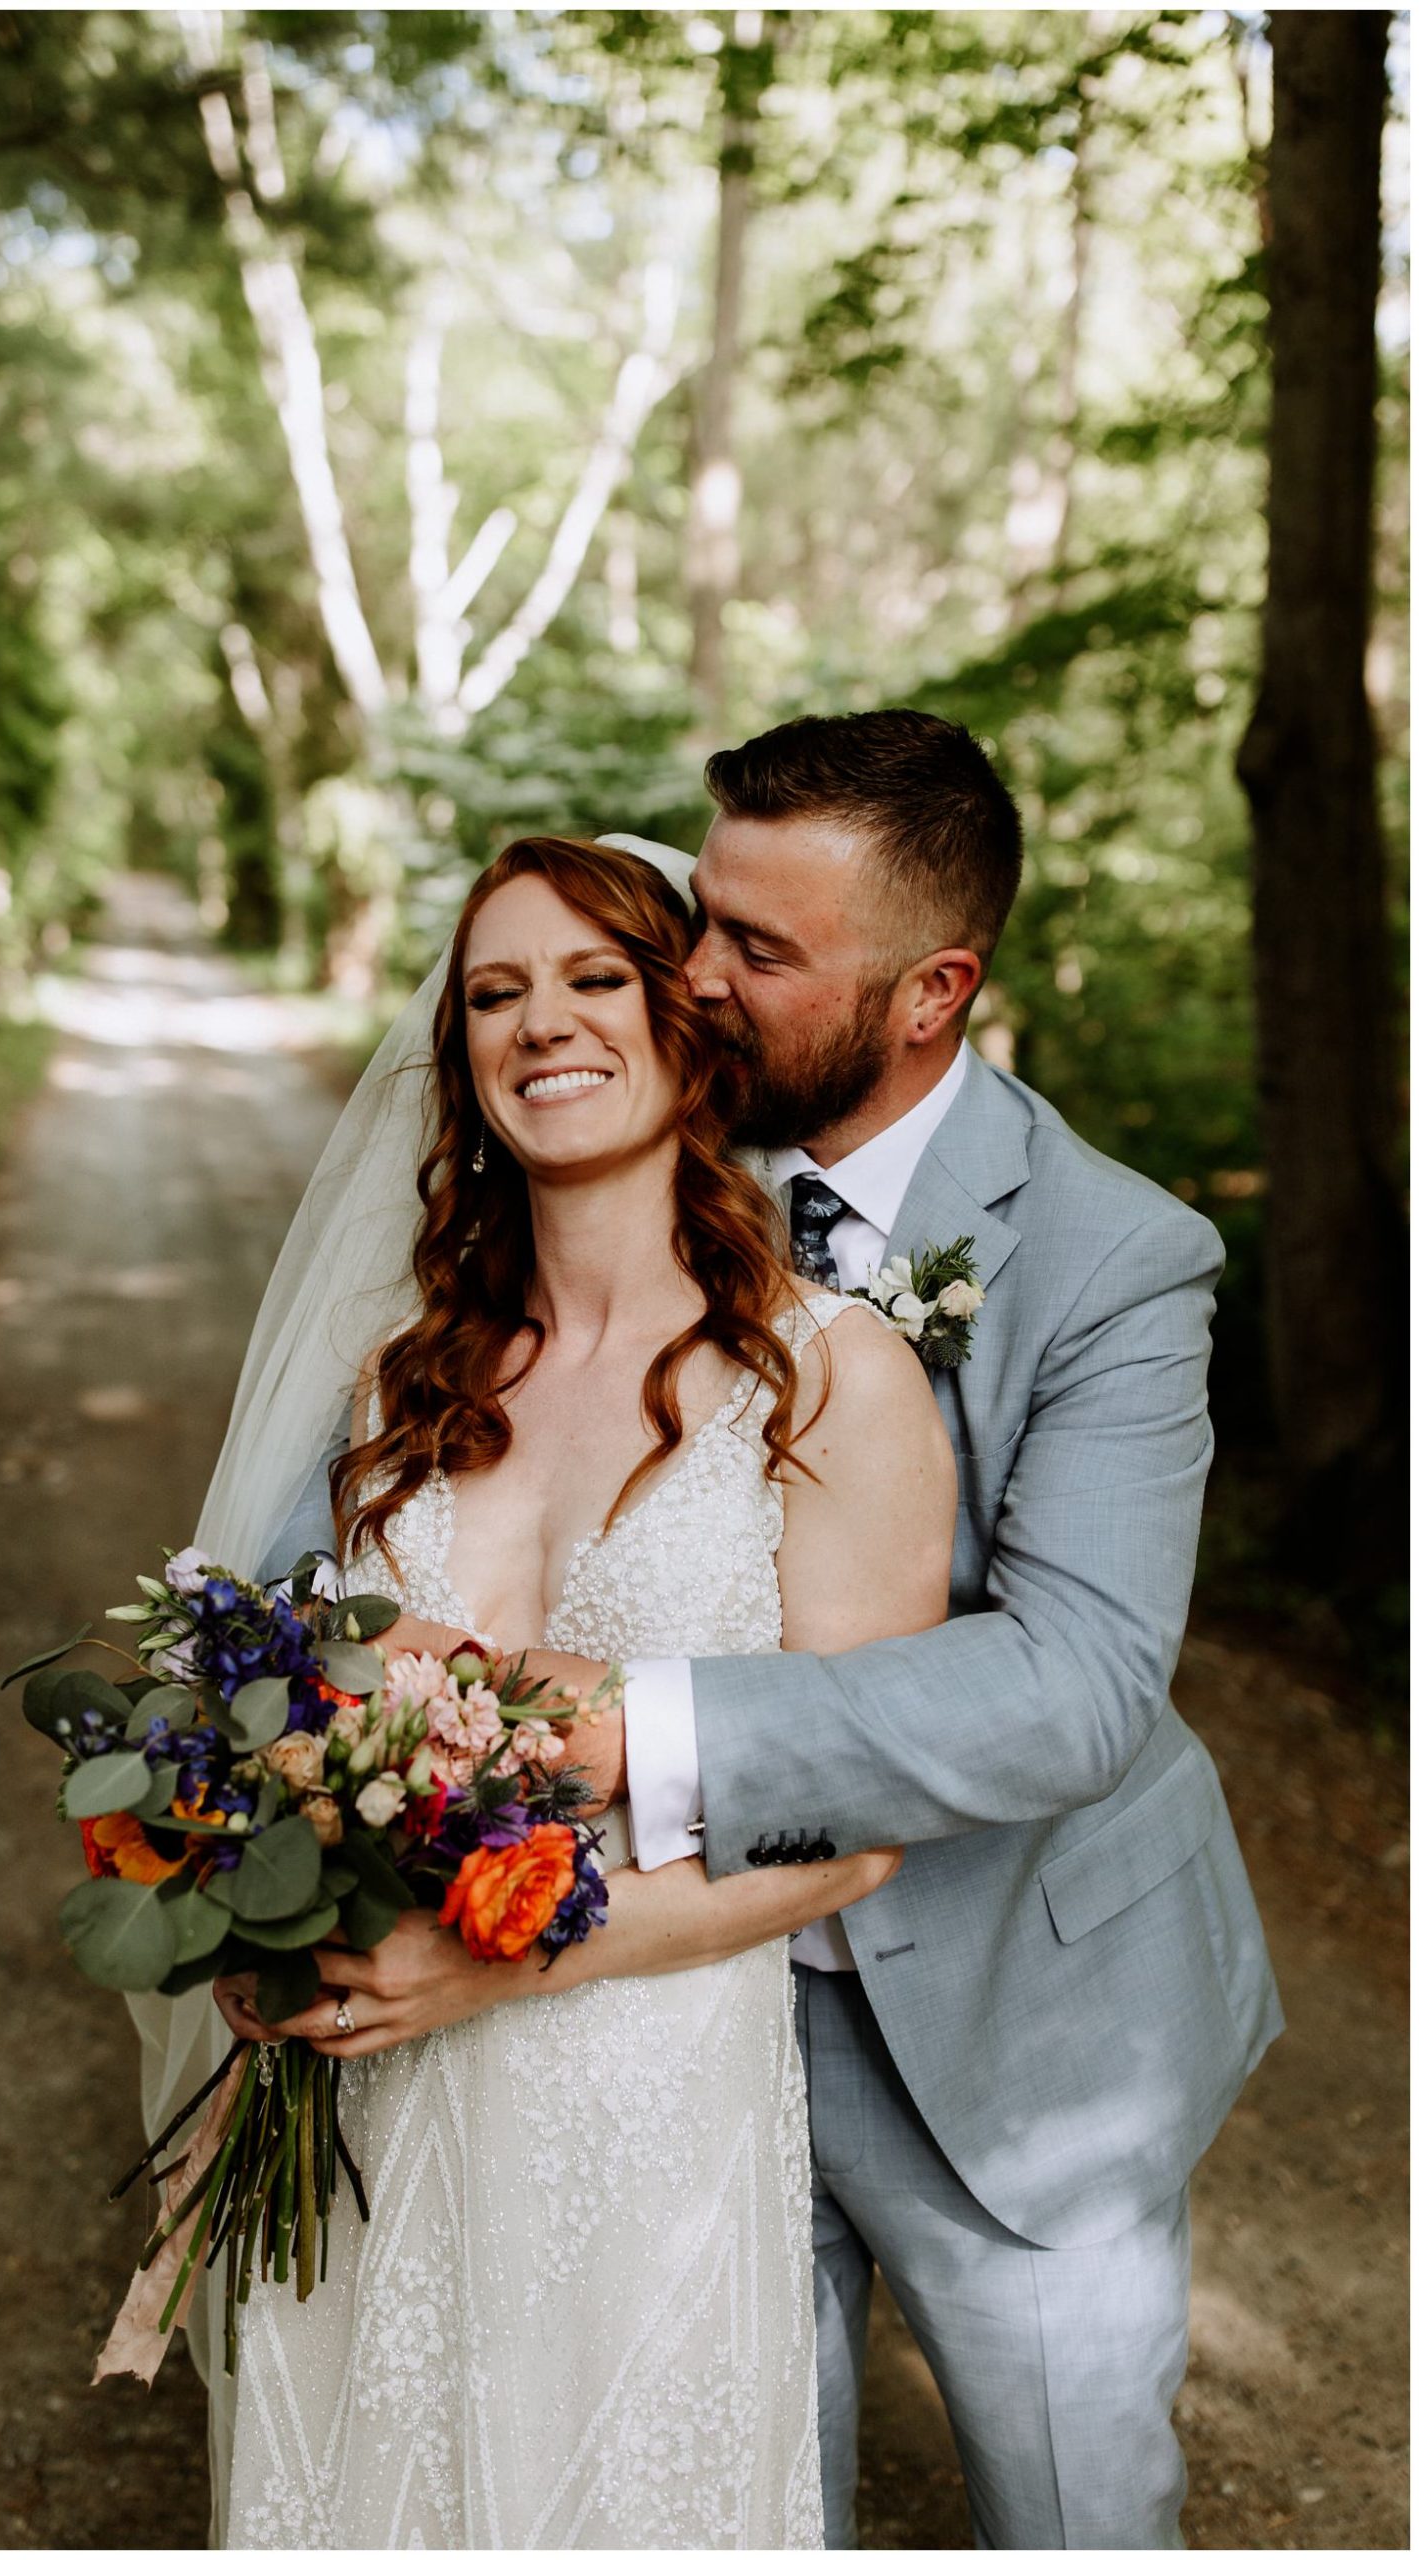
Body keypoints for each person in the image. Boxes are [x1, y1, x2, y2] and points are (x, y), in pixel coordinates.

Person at [267, 714, 1285, 2551]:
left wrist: (623, 1724)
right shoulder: (626, 1121)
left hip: (1003, 2010)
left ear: (928, 992)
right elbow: (343, 1584)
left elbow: (1073, 1689)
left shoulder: (1115, 1255)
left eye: (749, 950)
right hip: (646, 2017)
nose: (693, 979)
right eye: (694, 926)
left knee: (1069, 2507)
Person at [208, 831, 957, 2548]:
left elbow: (853, 1836)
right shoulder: (397, 1378)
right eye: (494, 993)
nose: (540, 1022)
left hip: (648, 2099)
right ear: (460, 1061)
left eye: (592, 978)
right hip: (373, 2090)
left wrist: (482, 1968)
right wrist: (256, 1898)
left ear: (688, 1022)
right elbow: (282, 1708)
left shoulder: (826, 1378)